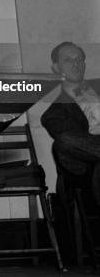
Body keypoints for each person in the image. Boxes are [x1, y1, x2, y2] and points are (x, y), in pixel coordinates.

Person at [41, 42, 100, 206]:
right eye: (68, 60)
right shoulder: (53, 115)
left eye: (79, 59)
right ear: (56, 68)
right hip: (87, 163)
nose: (76, 64)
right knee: (63, 141)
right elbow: (77, 145)